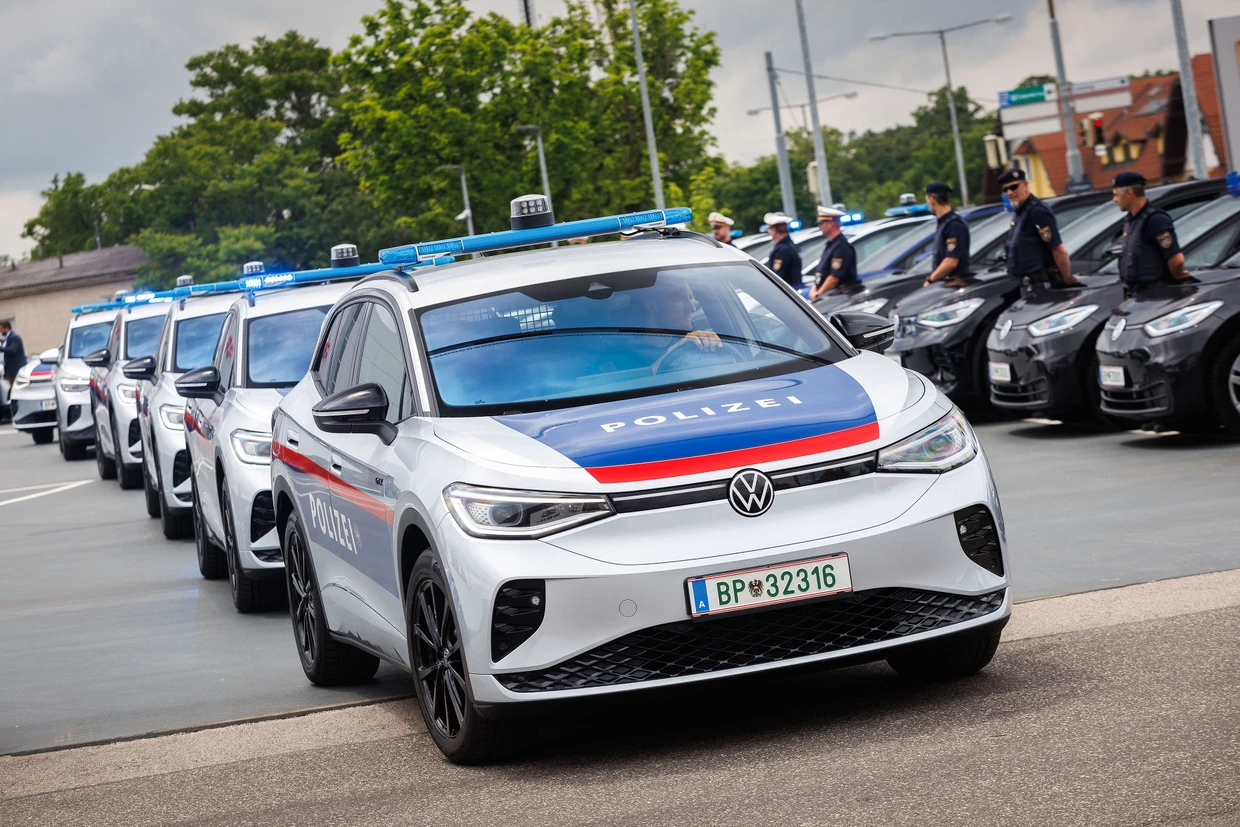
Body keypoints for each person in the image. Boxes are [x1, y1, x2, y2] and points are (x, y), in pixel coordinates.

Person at [997, 168, 1080, 292]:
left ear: (1025, 185)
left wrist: (1066, 278)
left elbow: (1058, 249)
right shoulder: (1020, 213)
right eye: (1005, 189)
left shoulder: (1037, 211)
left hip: (1041, 284)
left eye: (1013, 187)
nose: (1009, 192)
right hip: (1027, 284)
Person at [1112, 171, 1188, 295]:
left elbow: (1177, 260)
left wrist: (1177, 282)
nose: (1114, 199)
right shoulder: (1130, 220)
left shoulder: (1155, 219)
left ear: (1129, 193)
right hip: (1139, 293)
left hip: (1158, 293)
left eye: (1116, 195)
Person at [923, 182, 972, 286]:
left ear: (932, 200)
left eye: (927, 200)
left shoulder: (954, 225)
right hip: (946, 284)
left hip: (954, 284)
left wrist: (930, 280)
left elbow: (951, 262)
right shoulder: (944, 224)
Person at [808, 206, 858, 300]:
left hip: (838, 298)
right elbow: (821, 273)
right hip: (828, 297)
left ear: (830, 224)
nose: (819, 227)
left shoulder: (841, 247)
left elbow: (834, 277)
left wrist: (818, 295)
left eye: (821, 223)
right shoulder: (831, 245)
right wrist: (814, 290)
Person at [764, 212, 802, 289]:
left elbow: (777, 276)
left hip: (787, 291)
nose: (770, 233)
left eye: (770, 229)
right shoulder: (788, 245)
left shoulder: (783, 249)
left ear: (774, 230)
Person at [0, 319, 25, 387]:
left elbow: (12, 350)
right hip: (10, 370)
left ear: (6, 328)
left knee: (17, 389)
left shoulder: (14, 337)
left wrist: (0, 348)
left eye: (1, 329)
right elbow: (6, 345)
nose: (0, 331)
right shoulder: (8, 337)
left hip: (15, 370)